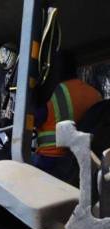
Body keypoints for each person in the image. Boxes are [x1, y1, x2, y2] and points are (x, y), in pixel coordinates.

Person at [34, 51, 102, 184]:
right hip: (85, 161)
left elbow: (32, 120)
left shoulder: (53, 93)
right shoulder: (94, 93)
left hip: (51, 159)